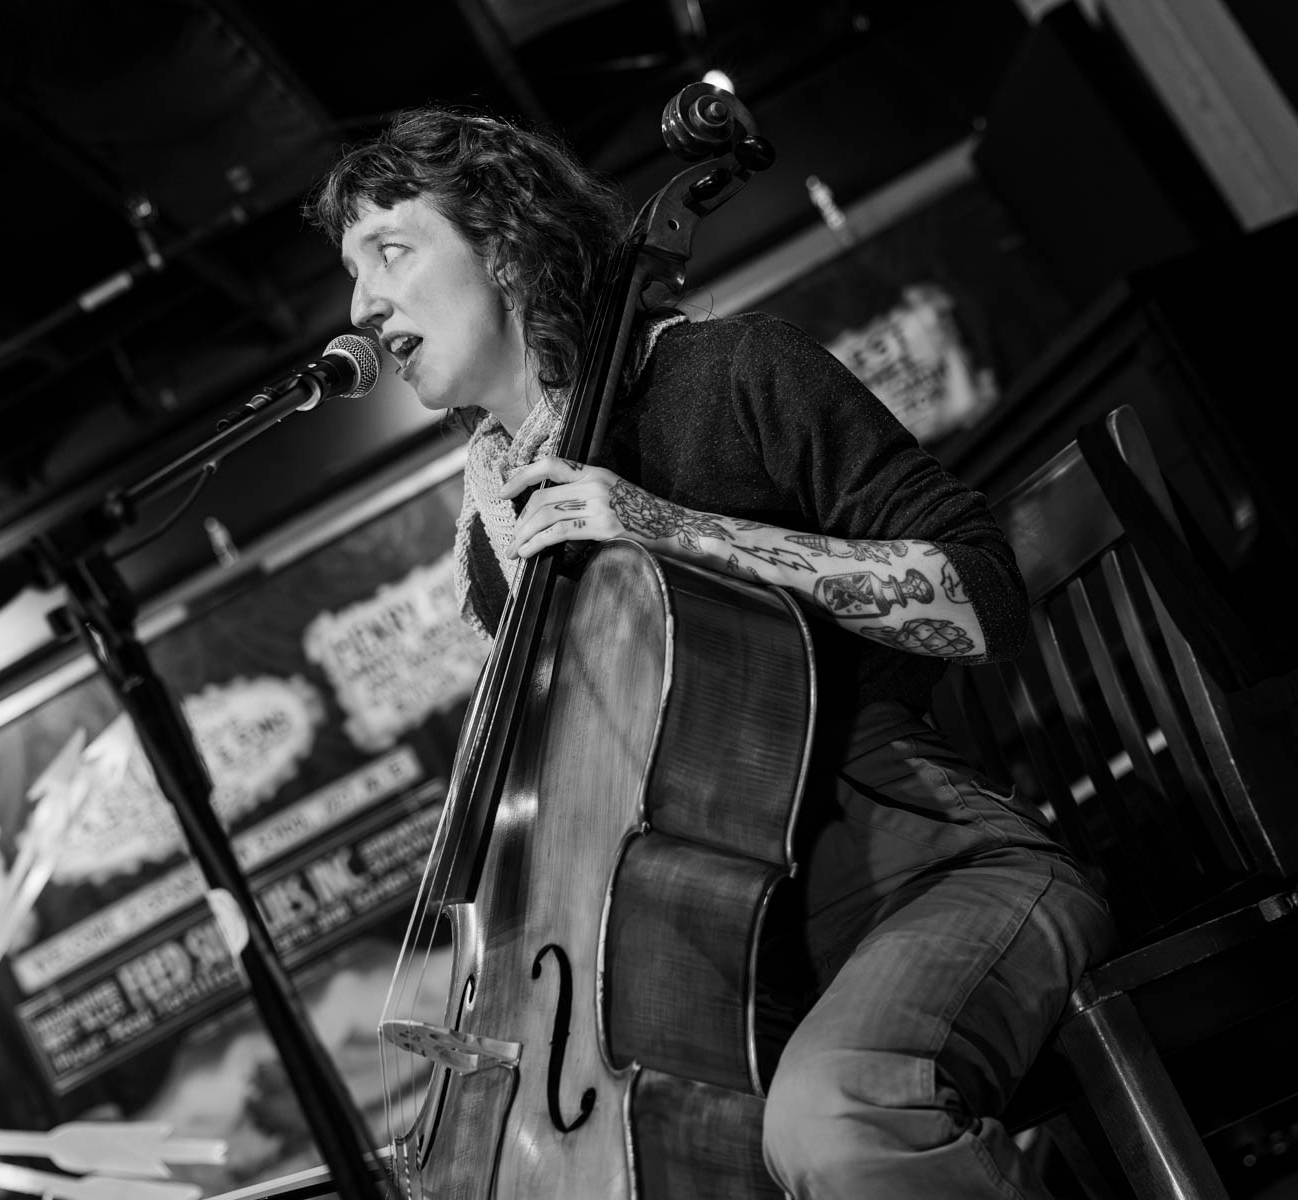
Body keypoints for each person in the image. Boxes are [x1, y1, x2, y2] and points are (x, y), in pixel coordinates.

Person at [305, 105, 1116, 1199]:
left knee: (830, 1126)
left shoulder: (730, 374)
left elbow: (979, 599)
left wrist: (671, 530)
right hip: (735, 973)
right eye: (353, 272)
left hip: (933, 878)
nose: (361, 305)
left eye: (391, 251)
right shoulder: (503, 552)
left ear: (503, 245)